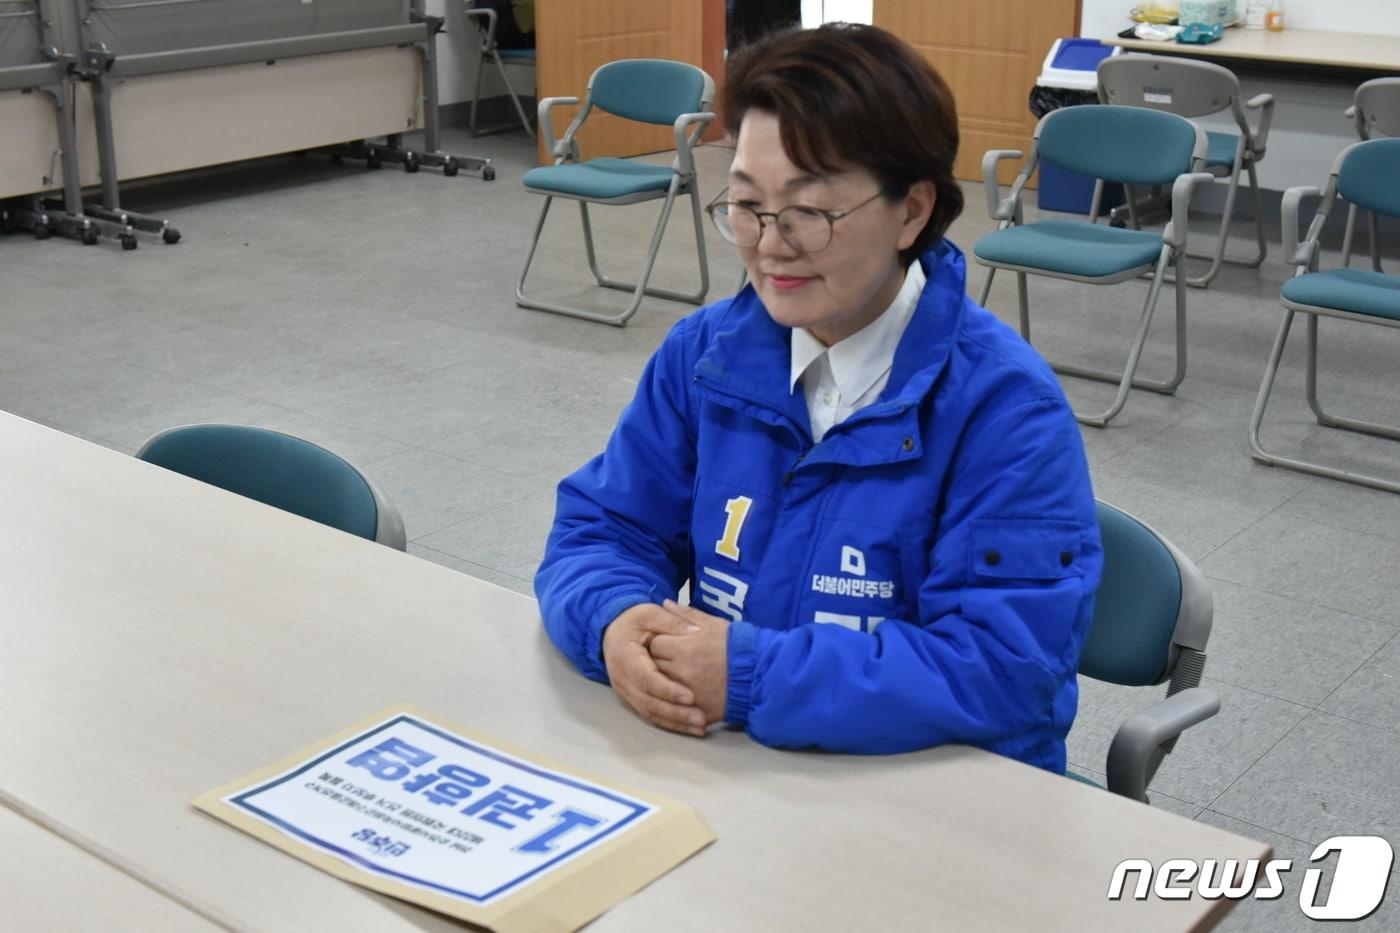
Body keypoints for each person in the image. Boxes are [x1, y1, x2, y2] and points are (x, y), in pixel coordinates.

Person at [535, 24, 1102, 771]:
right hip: (746, 769)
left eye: (812, 210)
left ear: (912, 210)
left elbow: (1002, 669)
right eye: (746, 205)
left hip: (931, 800)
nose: (771, 243)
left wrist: (748, 673)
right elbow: (604, 528)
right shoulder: (706, 357)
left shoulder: (1005, 410)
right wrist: (615, 619)